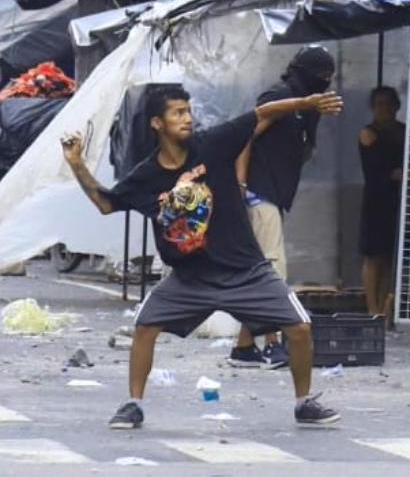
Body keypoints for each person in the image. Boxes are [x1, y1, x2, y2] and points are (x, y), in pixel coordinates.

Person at [61, 85, 345, 430]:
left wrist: (307, 101)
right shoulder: (147, 176)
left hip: (246, 271)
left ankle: (303, 404)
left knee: (299, 327)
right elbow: (106, 203)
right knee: (144, 326)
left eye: (188, 111)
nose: (187, 119)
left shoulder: (212, 145)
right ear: (157, 123)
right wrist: (76, 164)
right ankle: (133, 404)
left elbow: (264, 112)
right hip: (189, 278)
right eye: (177, 113)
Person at [231, 45, 338, 369]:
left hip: (275, 195)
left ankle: (244, 346)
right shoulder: (279, 96)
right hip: (258, 194)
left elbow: (303, 149)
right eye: (321, 77)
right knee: (273, 271)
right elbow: (245, 136)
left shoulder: (308, 107)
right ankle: (273, 343)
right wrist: (241, 186)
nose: (325, 83)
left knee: (260, 270)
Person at [358, 86, 405, 317]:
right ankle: (372, 308)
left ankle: (384, 308)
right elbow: (375, 168)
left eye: (388, 104)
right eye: (379, 104)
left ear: (397, 106)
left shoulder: (403, 132)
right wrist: (393, 174)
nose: (384, 109)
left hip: (399, 201)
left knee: (389, 256)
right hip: (376, 199)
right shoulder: (369, 133)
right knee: (373, 255)